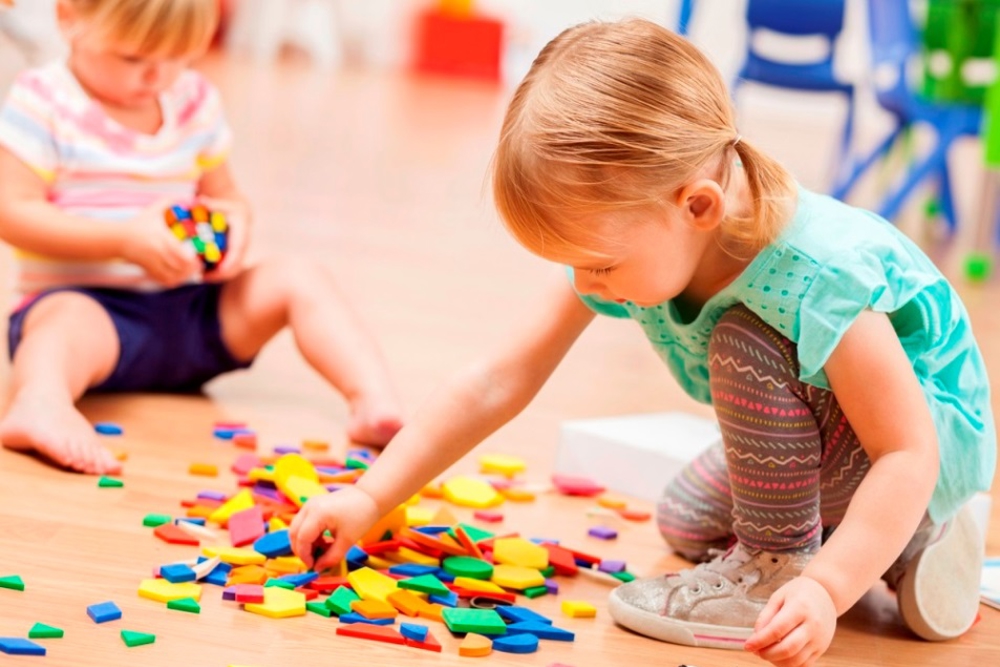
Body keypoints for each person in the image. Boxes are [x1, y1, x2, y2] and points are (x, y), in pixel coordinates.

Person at [288, 18, 994, 666]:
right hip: (846, 436)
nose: (588, 280)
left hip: (917, 443)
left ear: (697, 207)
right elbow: (499, 379)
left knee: (741, 343)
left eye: (599, 263)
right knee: (684, 519)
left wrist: (824, 588)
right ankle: (898, 547)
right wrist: (369, 496)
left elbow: (907, 449)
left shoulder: (814, 274)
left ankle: (823, 555)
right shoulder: (643, 239)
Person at [0, 0, 403, 475]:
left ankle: (374, 401)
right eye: (133, 58)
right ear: (69, 18)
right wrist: (121, 241)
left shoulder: (192, 100)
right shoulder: (43, 101)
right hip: (96, 316)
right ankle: (39, 404)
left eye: (178, 58)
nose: (157, 76)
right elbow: (12, 212)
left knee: (298, 276)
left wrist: (233, 230)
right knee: (62, 321)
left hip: (193, 313)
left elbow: (227, 197)